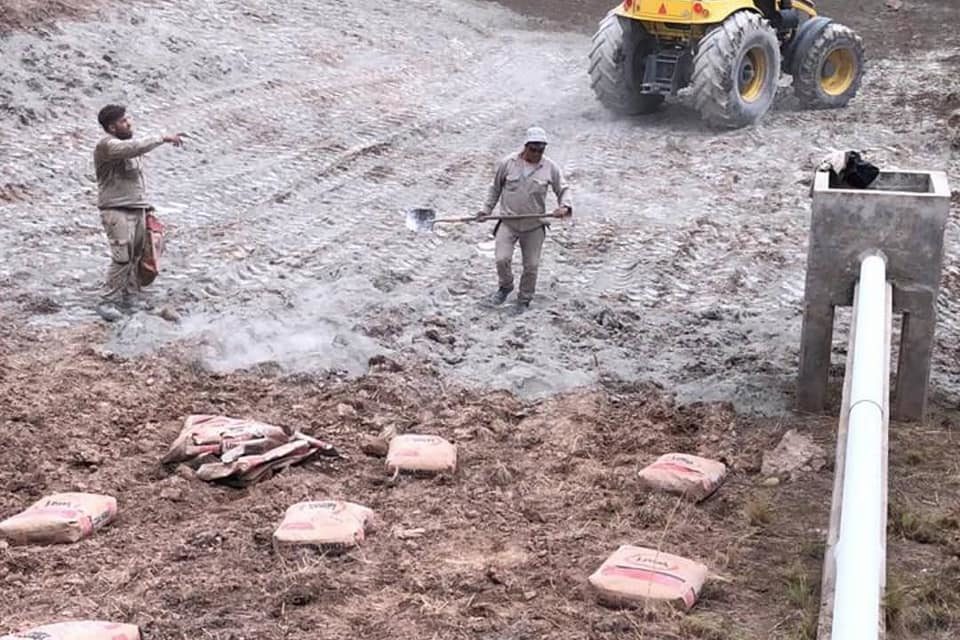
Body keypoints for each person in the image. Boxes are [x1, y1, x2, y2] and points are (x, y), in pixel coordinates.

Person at [93, 104, 184, 321]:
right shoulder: (106, 146)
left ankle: (130, 298)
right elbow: (134, 148)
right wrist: (162, 138)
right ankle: (107, 301)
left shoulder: (126, 146)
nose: (129, 123)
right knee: (122, 257)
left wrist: (146, 208)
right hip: (116, 210)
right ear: (112, 127)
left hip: (136, 208)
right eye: (124, 121)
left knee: (136, 256)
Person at [477, 126, 572, 312]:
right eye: (533, 149)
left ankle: (524, 299)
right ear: (525, 146)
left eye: (541, 150)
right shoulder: (508, 164)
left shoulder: (550, 167)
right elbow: (495, 188)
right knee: (501, 259)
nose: (537, 153)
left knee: (531, 266)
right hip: (508, 222)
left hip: (534, 226)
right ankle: (505, 287)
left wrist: (564, 207)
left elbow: (564, 189)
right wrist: (485, 210)